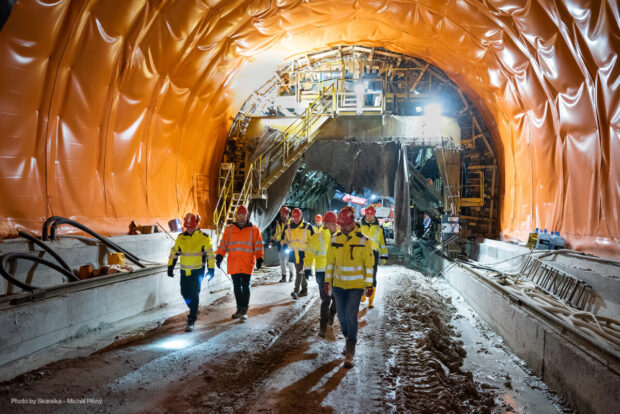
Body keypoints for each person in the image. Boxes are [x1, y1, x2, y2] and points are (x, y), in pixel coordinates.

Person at [325, 206, 374, 368]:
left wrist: (369, 285)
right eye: (341, 225)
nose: (343, 228)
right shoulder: (334, 240)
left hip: (355, 286)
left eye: (345, 225)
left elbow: (369, 265)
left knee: (351, 315)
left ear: (352, 223)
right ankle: (347, 338)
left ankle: (350, 350)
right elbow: (329, 263)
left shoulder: (364, 241)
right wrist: (327, 282)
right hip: (338, 286)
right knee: (341, 316)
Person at [168, 213, 215, 332]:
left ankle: (191, 319)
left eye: (191, 227)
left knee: (194, 293)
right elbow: (174, 252)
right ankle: (194, 308)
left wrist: (211, 269)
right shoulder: (180, 238)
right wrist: (170, 266)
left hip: (197, 271)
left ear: (197, 225)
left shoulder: (204, 238)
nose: (189, 229)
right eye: (187, 227)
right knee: (185, 293)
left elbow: (210, 254)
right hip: (184, 271)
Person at [216, 205, 264, 321]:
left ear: (247, 215)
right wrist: (219, 256)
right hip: (234, 263)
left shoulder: (254, 229)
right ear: (237, 215)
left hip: (247, 263)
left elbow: (258, 245)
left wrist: (259, 258)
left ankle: (244, 310)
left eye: (244, 215)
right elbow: (223, 244)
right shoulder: (230, 229)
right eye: (240, 215)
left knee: (246, 286)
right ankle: (239, 309)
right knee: (237, 287)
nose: (241, 217)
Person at [303, 211, 338, 337]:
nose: (336, 226)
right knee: (326, 300)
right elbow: (309, 253)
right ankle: (323, 327)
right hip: (323, 273)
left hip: (335, 273)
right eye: (335, 223)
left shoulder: (340, 236)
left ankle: (330, 317)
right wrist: (307, 268)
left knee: (335, 300)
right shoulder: (318, 237)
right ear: (328, 224)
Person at [281, 208, 315, 299]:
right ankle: (304, 289)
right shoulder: (287, 227)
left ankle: (297, 291)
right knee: (300, 271)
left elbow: (314, 240)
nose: (296, 219)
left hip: (306, 254)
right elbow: (283, 239)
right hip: (294, 253)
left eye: (298, 217)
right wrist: (284, 244)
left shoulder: (308, 226)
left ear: (301, 216)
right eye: (294, 217)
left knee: (300, 271)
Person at [359, 205, 388, 309]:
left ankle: (370, 300)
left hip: (373, 254)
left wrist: (384, 256)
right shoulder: (359, 226)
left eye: (371, 215)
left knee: (372, 277)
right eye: (368, 214)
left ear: (374, 215)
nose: (369, 217)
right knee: (361, 275)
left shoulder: (379, 228)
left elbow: (383, 243)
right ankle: (362, 294)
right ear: (365, 214)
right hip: (361, 253)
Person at [272, 206, 295, 283]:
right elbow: (276, 232)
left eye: (285, 213)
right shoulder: (278, 222)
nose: (284, 215)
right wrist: (273, 239)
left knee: (290, 261)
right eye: (283, 213)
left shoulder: (292, 222)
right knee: (282, 262)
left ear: (288, 214)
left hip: (289, 244)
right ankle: (284, 277)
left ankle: (291, 275)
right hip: (281, 244)